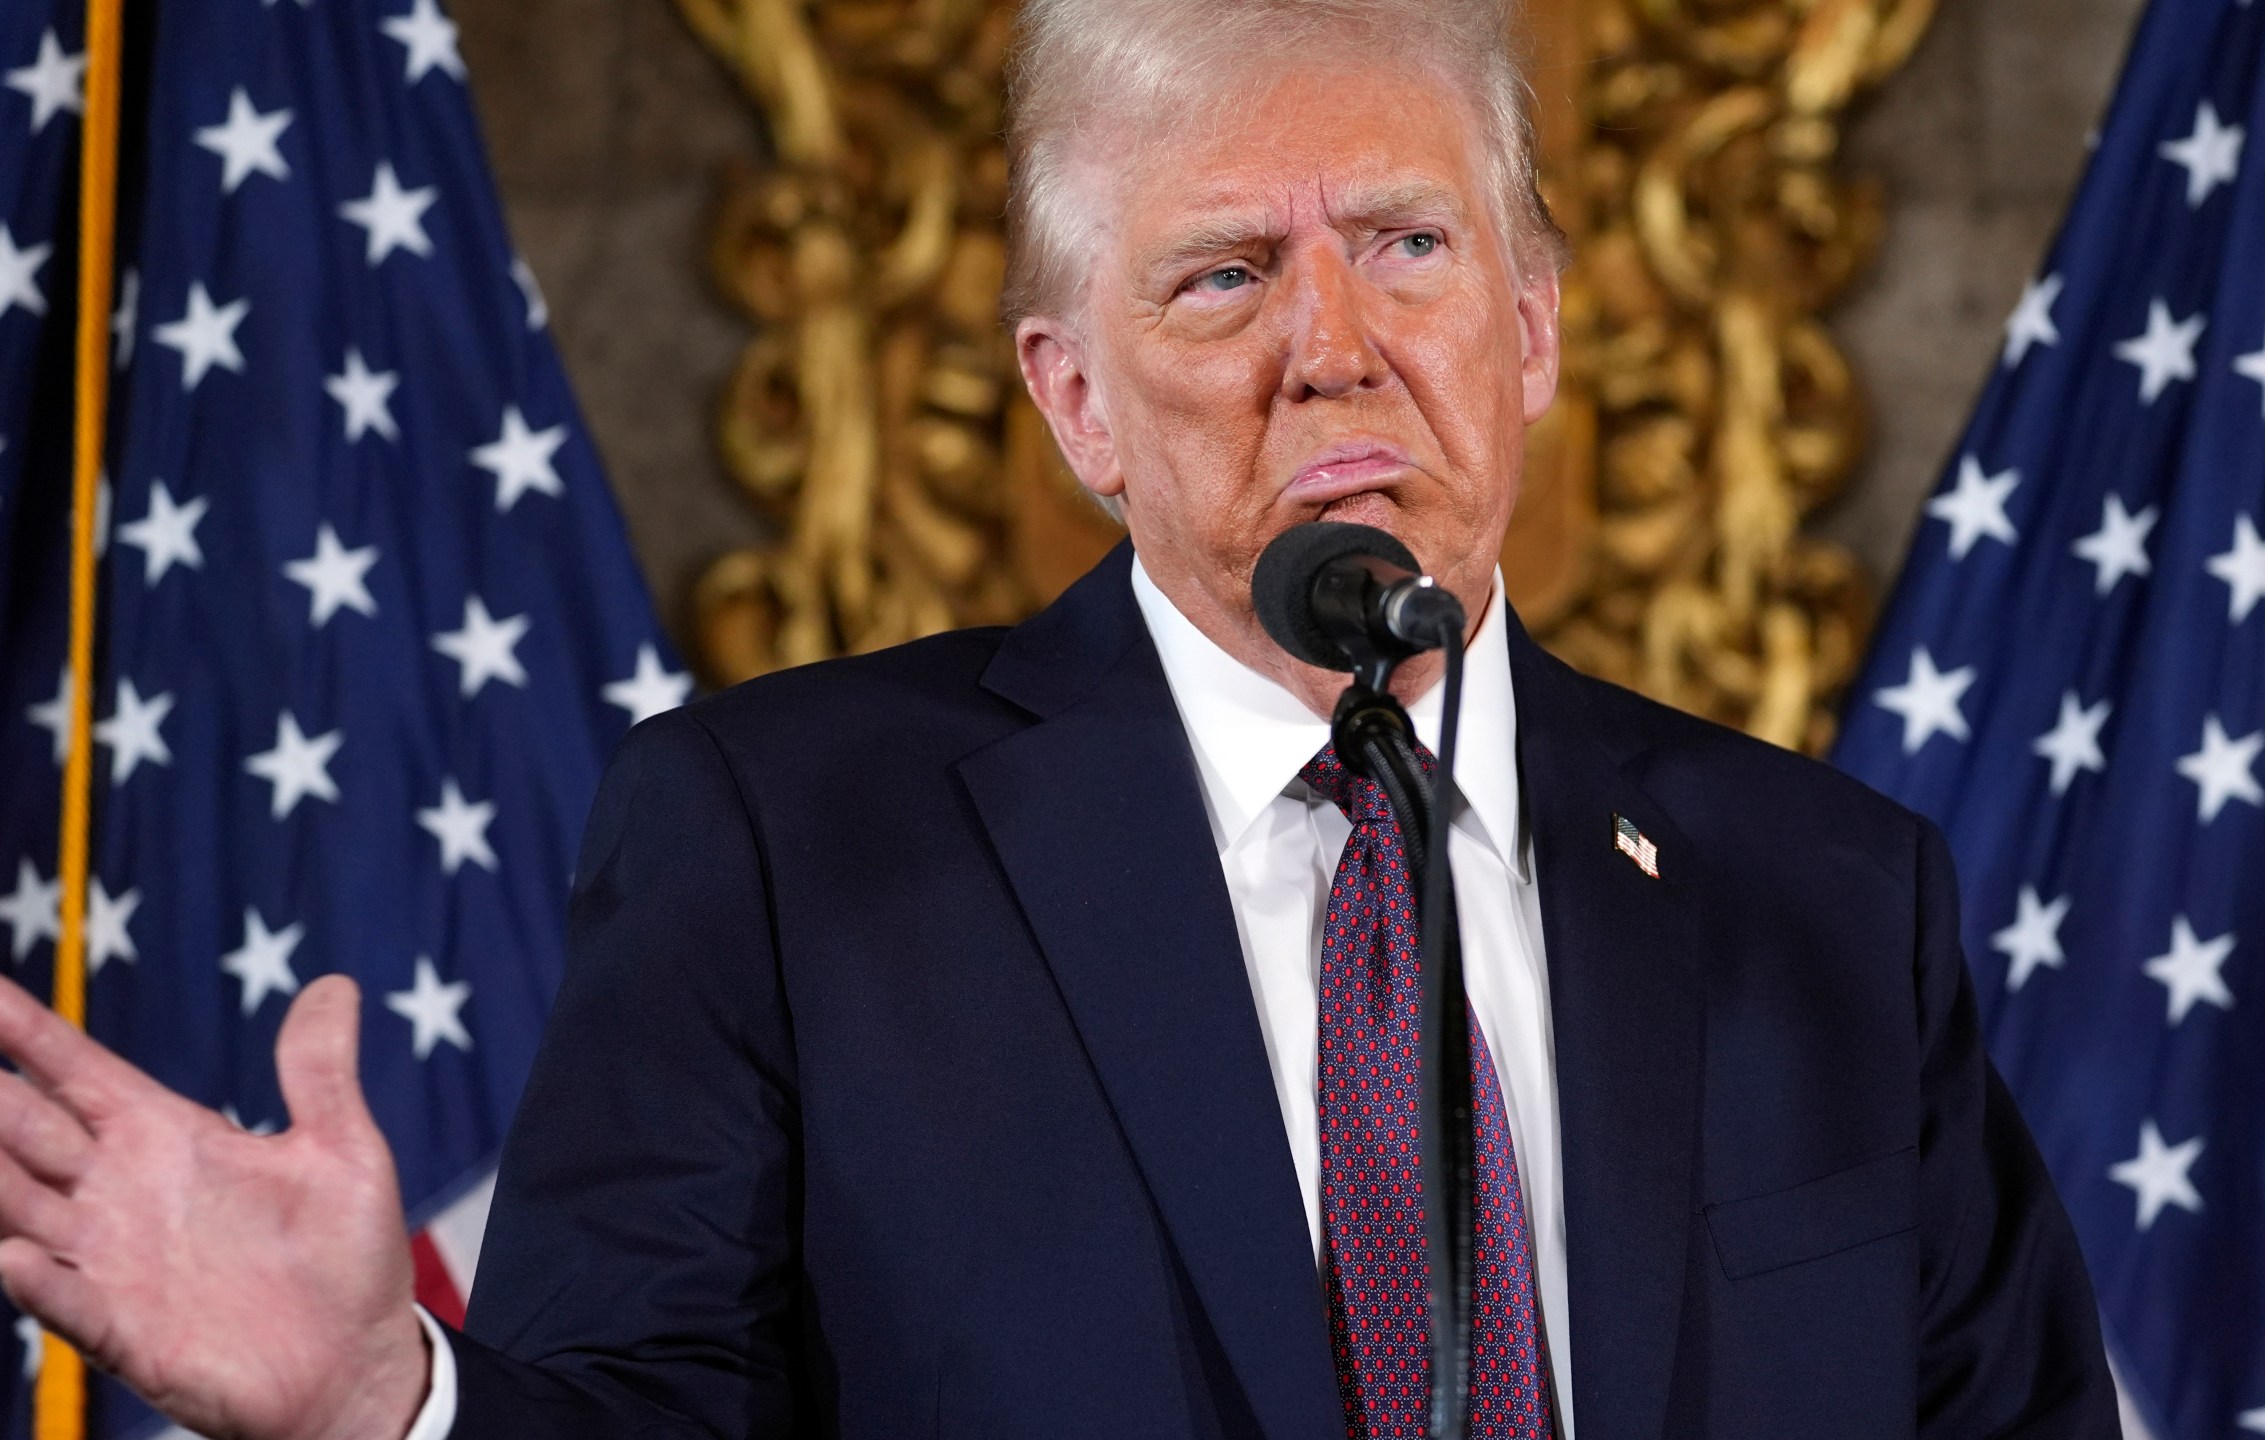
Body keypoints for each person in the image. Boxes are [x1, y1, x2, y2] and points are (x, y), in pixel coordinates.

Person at [0, 1, 2121, 1435]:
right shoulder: (776, 849)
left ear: (1535, 324)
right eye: (1220, 276)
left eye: (1405, 243)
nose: (1335, 348)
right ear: (1070, 398)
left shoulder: (1827, 895)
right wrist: (388, 1402)